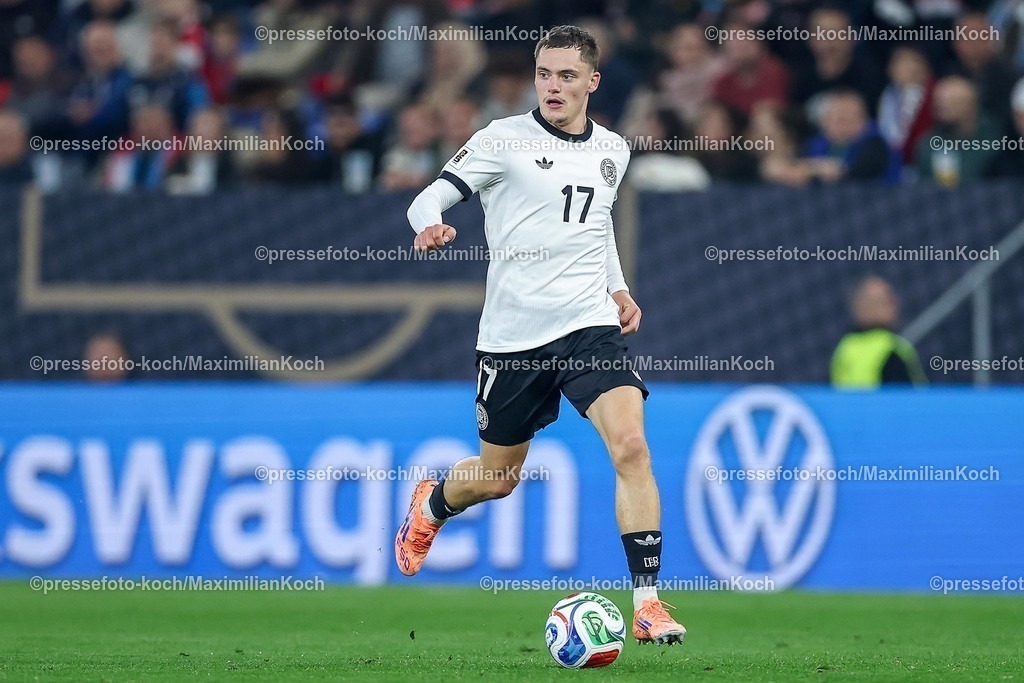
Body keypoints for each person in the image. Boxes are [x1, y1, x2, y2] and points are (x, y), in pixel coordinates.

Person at [396, 25, 687, 646]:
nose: (553, 86)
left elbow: (597, 227)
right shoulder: (502, 138)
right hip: (513, 337)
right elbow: (428, 198)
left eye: (566, 76)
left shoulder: (612, 148)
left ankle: (649, 603)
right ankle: (436, 502)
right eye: (545, 74)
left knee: (632, 446)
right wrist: (431, 225)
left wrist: (618, 287)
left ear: (592, 81)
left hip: (588, 325)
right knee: (500, 478)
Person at [831, 276, 927, 388]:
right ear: (862, 308)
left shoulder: (844, 348)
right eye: (886, 301)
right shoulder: (891, 348)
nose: (894, 306)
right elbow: (904, 398)